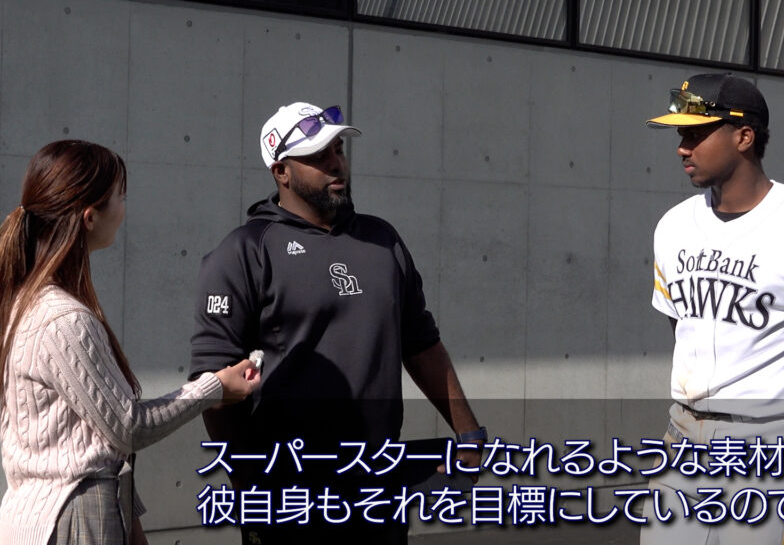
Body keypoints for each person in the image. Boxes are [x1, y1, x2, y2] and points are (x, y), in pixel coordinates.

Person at [189, 102, 485, 544]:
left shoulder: (382, 240)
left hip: (378, 490)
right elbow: (214, 386)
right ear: (281, 171)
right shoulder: (245, 251)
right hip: (289, 497)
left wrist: (470, 432)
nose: (335, 163)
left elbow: (422, 345)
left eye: (338, 150)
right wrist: (250, 487)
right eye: (318, 155)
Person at [641, 73, 784, 545]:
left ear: (744, 136)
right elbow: (682, 327)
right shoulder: (672, 226)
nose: (683, 147)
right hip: (685, 433)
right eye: (681, 134)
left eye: (696, 134)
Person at [0, 140, 259, 545]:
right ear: (90, 217)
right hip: (73, 516)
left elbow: (88, 435)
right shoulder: (63, 318)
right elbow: (128, 427)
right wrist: (214, 387)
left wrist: (128, 515)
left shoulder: (22, 303)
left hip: (37, 514)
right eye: (120, 197)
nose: (124, 210)